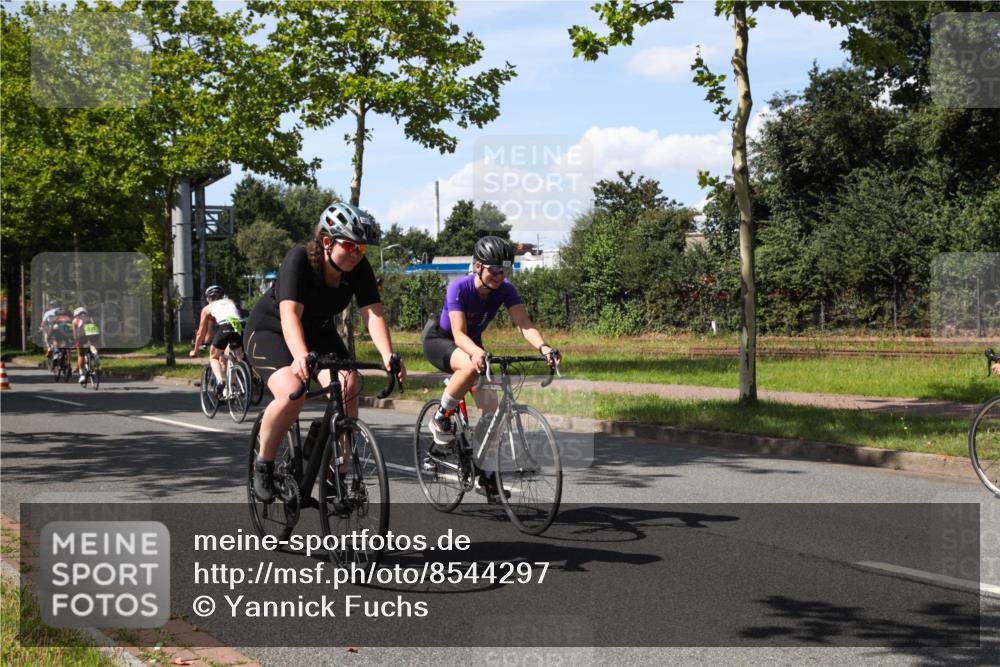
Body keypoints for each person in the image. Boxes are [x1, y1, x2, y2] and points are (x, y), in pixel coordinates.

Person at [243, 202, 406, 503]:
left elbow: (373, 313)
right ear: (327, 241)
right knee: (294, 391)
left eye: (362, 249)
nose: (357, 253)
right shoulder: (299, 260)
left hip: (318, 332)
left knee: (349, 384)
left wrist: (388, 355)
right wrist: (300, 355)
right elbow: (289, 315)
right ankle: (263, 465)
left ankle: (336, 473)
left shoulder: (357, 268)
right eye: (350, 246)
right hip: (271, 331)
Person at [421, 235, 560, 501]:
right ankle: (441, 416)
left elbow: (524, 323)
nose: (498, 275)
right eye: (493, 269)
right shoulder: (459, 288)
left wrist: (544, 347)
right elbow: (459, 334)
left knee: (492, 409)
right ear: (477, 266)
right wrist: (476, 352)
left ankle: (486, 477)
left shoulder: (505, 289)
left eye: (503, 270)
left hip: (473, 345)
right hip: (442, 340)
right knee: (469, 367)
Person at [189, 285, 244, 398]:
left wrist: (195, 351)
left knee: (214, 357)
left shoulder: (207, 308)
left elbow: (200, 333)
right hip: (240, 326)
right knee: (236, 357)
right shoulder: (229, 301)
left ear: (208, 298)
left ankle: (221, 381)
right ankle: (236, 385)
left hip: (225, 326)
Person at [71, 307, 101, 385]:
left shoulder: (75, 320)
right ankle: (95, 353)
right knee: (92, 345)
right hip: (94, 331)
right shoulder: (90, 317)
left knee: (80, 354)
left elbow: (75, 335)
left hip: (82, 332)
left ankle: (82, 375)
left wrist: (75, 342)